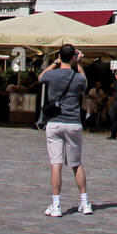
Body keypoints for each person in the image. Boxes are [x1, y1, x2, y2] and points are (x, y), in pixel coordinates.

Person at [38, 45, 90, 217]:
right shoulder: (77, 77)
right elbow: (85, 83)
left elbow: (40, 77)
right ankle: (84, 202)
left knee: (56, 164)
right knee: (76, 164)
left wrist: (54, 62)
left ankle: (56, 205)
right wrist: (80, 64)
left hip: (55, 123)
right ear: (74, 57)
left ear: (60, 56)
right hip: (73, 122)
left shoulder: (52, 74)